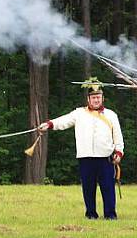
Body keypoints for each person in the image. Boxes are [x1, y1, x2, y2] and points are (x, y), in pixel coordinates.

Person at [38, 78, 124, 220]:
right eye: (93, 98)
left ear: (103, 98)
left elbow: (118, 137)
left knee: (108, 188)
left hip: (106, 158)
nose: (96, 100)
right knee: (88, 189)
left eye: (98, 97)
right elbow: (64, 121)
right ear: (88, 99)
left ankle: (110, 215)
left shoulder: (111, 115)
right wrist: (49, 124)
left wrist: (119, 152)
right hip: (86, 157)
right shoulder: (79, 113)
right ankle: (90, 214)